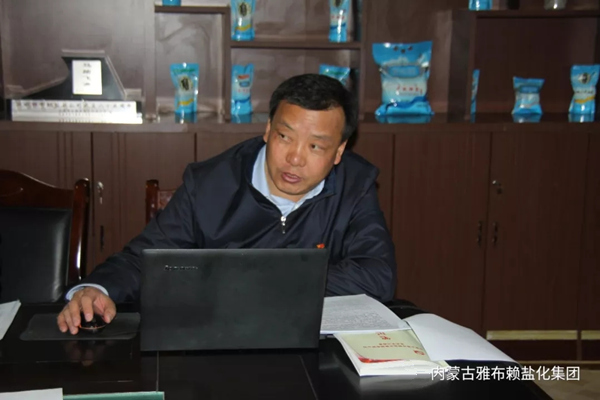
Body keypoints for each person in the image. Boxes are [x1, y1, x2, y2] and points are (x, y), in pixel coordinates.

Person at [57, 74, 397, 335]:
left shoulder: (355, 185)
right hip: (219, 343)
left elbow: (377, 275)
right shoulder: (209, 184)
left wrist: (254, 280)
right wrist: (94, 289)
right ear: (268, 129)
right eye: (284, 136)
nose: (295, 158)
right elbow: (144, 260)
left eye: (316, 147)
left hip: (309, 347)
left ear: (339, 151)